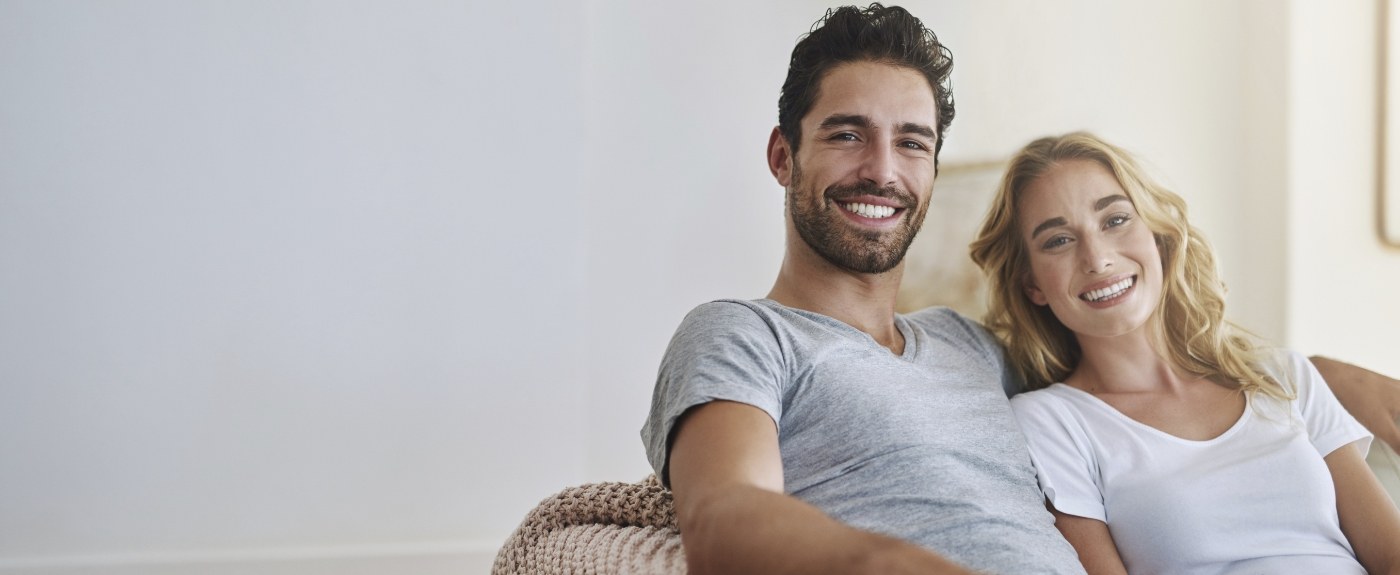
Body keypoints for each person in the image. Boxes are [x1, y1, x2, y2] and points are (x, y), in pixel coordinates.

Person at [641, 4, 1400, 574]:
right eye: (846, 134)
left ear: (933, 172)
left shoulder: (973, 348)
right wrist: (904, 564)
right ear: (783, 155)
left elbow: (1139, 365)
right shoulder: (740, 335)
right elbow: (724, 517)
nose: (882, 168)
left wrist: (1326, 381)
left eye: (912, 142)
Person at [969, 132, 1400, 574]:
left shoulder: (1285, 375)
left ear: (1157, 234)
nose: (1097, 259)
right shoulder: (1051, 422)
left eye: (1115, 220)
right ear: (1033, 285)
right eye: (1058, 240)